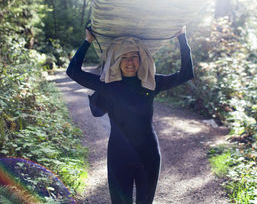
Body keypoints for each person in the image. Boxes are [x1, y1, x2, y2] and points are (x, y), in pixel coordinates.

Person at [66, 26, 194, 204]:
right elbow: (72, 72)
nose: (129, 62)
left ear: (141, 59)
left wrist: (181, 37)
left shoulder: (151, 82)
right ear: (116, 61)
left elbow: (187, 73)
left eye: (134, 56)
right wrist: (88, 41)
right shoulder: (108, 86)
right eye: (123, 57)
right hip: (119, 156)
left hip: (148, 155)